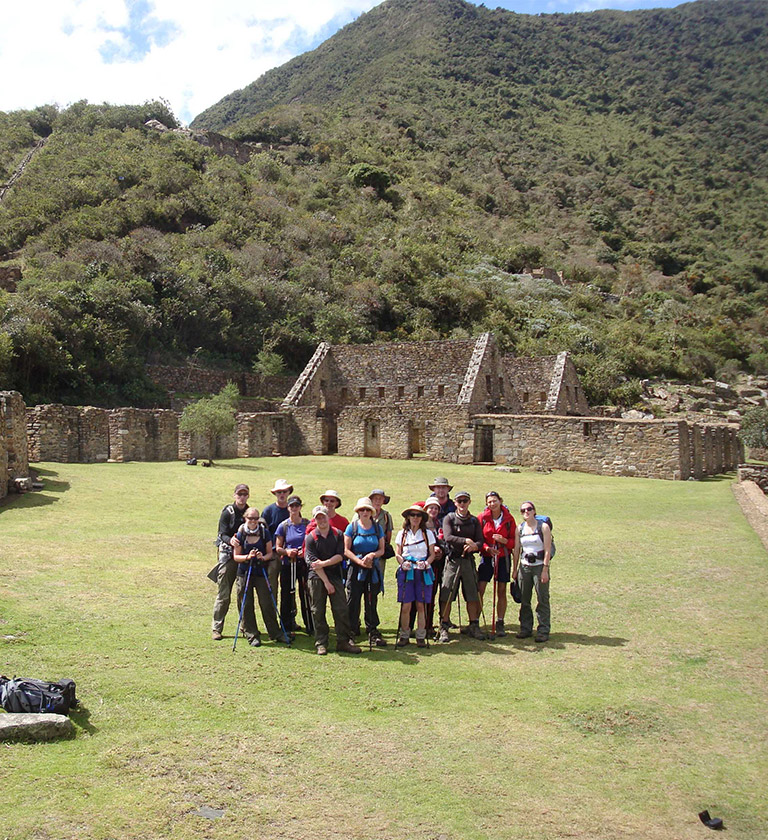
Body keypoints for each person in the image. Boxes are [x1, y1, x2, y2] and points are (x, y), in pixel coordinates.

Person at [304, 505, 362, 656]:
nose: (321, 520)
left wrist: (324, 563)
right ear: (314, 520)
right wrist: (326, 582)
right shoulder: (310, 538)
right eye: (318, 518)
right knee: (318, 611)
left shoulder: (338, 534)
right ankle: (321, 643)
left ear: (328, 517)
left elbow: (340, 556)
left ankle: (343, 641)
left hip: (335, 575)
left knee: (341, 609)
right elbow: (313, 564)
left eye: (323, 516)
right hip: (317, 577)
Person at [232, 508, 291, 646]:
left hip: (260, 572)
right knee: (246, 604)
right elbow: (236, 557)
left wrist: (262, 557)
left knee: (267, 602)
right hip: (245, 572)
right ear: (245, 518)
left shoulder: (264, 532)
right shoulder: (240, 533)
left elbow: (270, 553)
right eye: (250, 518)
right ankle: (252, 634)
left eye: (255, 518)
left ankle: (275, 632)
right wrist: (248, 556)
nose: (253, 521)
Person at [438, 490, 485, 642]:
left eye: (465, 501)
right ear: (455, 503)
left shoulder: (474, 521)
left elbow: (480, 540)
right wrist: (466, 541)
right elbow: (448, 537)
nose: (462, 504)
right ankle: (444, 626)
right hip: (452, 560)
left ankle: (473, 625)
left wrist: (474, 547)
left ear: (469, 502)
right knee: (447, 594)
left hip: (468, 561)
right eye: (460, 501)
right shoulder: (449, 518)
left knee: (472, 593)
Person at [344, 497, 387, 647]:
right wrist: (359, 561)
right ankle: (351, 630)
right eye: (362, 509)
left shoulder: (377, 528)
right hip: (355, 569)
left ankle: (372, 630)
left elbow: (382, 549)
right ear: (358, 511)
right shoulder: (352, 527)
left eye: (367, 509)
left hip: (372, 569)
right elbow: (346, 550)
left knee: (371, 599)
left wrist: (372, 555)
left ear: (371, 512)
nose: (365, 512)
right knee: (353, 600)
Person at [211, 483, 250, 641]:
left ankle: (245, 626)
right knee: (224, 593)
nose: (242, 497)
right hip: (227, 556)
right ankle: (217, 628)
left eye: (244, 494)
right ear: (234, 495)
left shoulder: (250, 512)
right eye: (239, 494)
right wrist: (231, 540)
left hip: (243, 558)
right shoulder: (228, 512)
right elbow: (222, 533)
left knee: (243, 594)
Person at [395, 504, 437, 647]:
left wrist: (426, 563)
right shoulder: (402, 534)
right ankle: (404, 635)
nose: (415, 518)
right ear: (408, 517)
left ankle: (420, 635)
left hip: (422, 571)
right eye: (412, 515)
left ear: (422, 518)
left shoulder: (428, 534)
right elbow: (398, 553)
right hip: (407, 572)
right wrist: (402, 563)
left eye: (418, 515)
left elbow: (432, 554)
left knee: (421, 605)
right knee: (406, 605)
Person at [478, 491, 517, 637]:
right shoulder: (482, 518)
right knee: (480, 588)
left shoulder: (508, 519)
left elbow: (514, 541)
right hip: (487, 557)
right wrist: (486, 548)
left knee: (501, 589)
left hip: (503, 557)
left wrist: (505, 541)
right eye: (489, 502)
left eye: (494, 501)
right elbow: (478, 538)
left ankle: (500, 621)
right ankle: (475, 621)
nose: (492, 504)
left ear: (500, 501)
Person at [512, 501, 552, 643]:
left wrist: (545, 570)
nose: (526, 512)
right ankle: (525, 628)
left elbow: (547, 550)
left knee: (542, 598)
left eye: (529, 509)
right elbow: (517, 550)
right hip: (524, 567)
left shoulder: (544, 527)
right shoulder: (520, 529)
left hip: (540, 566)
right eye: (522, 510)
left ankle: (543, 630)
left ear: (534, 511)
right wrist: (515, 569)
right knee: (524, 599)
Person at [274, 495, 308, 636]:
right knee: (287, 594)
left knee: (306, 593)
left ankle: (310, 625)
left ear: (300, 507)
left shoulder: (307, 523)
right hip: (288, 564)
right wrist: (287, 551)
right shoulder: (284, 526)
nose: (294, 508)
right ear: (288, 508)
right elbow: (278, 547)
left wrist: (303, 552)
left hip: (304, 563)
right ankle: (286, 625)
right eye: (291, 506)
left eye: (296, 506)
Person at [261, 478, 294, 617]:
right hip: (274, 555)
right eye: (279, 492)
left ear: (288, 492)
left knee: (289, 588)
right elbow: (263, 533)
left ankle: (289, 620)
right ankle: (272, 620)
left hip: (289, 555)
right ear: (275, 494)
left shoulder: (292, 510)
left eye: (284, 491)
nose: (282, 494)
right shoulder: (268, 511)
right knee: (272, 588)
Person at [423, 495, 446, 638]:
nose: (433, 510)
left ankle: (429, 625)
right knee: (422, 595)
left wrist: (440, 550)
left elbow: (445, 541)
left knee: (432, 594)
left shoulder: (440, 524)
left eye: (436, 508)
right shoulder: (421, 525)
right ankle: (420, 625)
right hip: (423, 563)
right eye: (431, 507)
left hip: (437, 564)